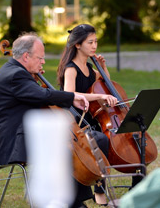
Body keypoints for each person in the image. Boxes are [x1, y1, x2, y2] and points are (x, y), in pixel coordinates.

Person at [0, 33, 89, 206]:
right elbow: (42, 95)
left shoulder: (16, 72)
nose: (43, 62)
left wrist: (33, 78)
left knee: (69, 148)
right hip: (12, 144)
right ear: (26, 56)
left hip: (19, 135)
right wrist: (72, 96)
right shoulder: (15, 76)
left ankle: (76, 201)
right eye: (40, 58)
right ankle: (75, 203)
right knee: (65, 151)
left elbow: (33, 97)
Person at [57, 24, 118, 207]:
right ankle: (99, 187)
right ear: (78, 45)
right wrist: (99, 96)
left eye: (96, 42)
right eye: (90, 42)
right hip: (75, 120)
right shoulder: (71, 69)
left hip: (91, 118)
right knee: (101, 140)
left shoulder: (89, 67)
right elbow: (70, 95)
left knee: (108, 138)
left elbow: (104, 83)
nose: (94, 46)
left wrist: (104, 66)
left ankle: (101, 185)